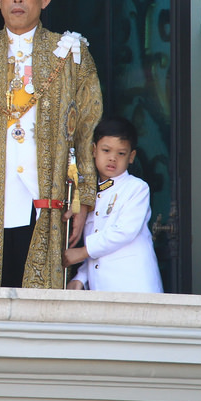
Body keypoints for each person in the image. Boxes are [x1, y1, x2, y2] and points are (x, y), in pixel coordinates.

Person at [0, 0, 103, 288]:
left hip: (49, 204)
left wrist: (84, 199)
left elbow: (87, 131)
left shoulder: (70, 54)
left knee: (42, 318)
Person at [64, 117, 163, 292]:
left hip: (134, 286)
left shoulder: (137, 188)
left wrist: (82, 252)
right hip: (103, 288)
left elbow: (123, 232)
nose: (112, 158)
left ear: (131, 156)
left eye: (121, 153)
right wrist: (80, 277)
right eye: (106, 150)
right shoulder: (91, 193)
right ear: (94, 151)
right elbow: (98, 240)